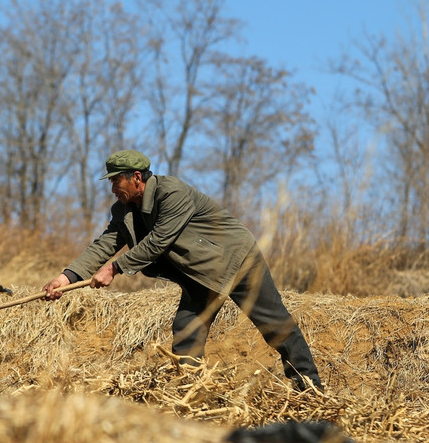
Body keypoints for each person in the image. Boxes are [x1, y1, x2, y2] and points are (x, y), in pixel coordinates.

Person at [43, 150, 322, 391]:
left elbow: (159, 241)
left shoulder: (172, 192)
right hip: (199, 273)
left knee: (275, 325)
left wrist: (115, 268)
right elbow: (105, 243)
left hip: (236, 260)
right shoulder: (124, 210)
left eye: (117, 180)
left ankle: (310, 389)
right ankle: (192, 393)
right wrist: (66, 277)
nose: (113, 188)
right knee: (187, 331)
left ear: (137, 178)